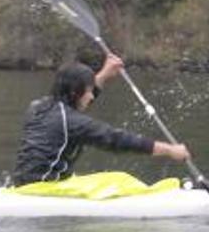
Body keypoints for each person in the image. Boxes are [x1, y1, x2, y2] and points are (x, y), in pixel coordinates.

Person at [12, 53, 190, 186]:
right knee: (120, 181)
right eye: (88, 91)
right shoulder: (72, 122)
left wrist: (104, 74)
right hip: (45, 190)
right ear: (75, 93)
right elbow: (116, 139)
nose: (91, 96)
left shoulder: (37, 107)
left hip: (23, 185)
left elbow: (74, 106)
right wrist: (169, 150)